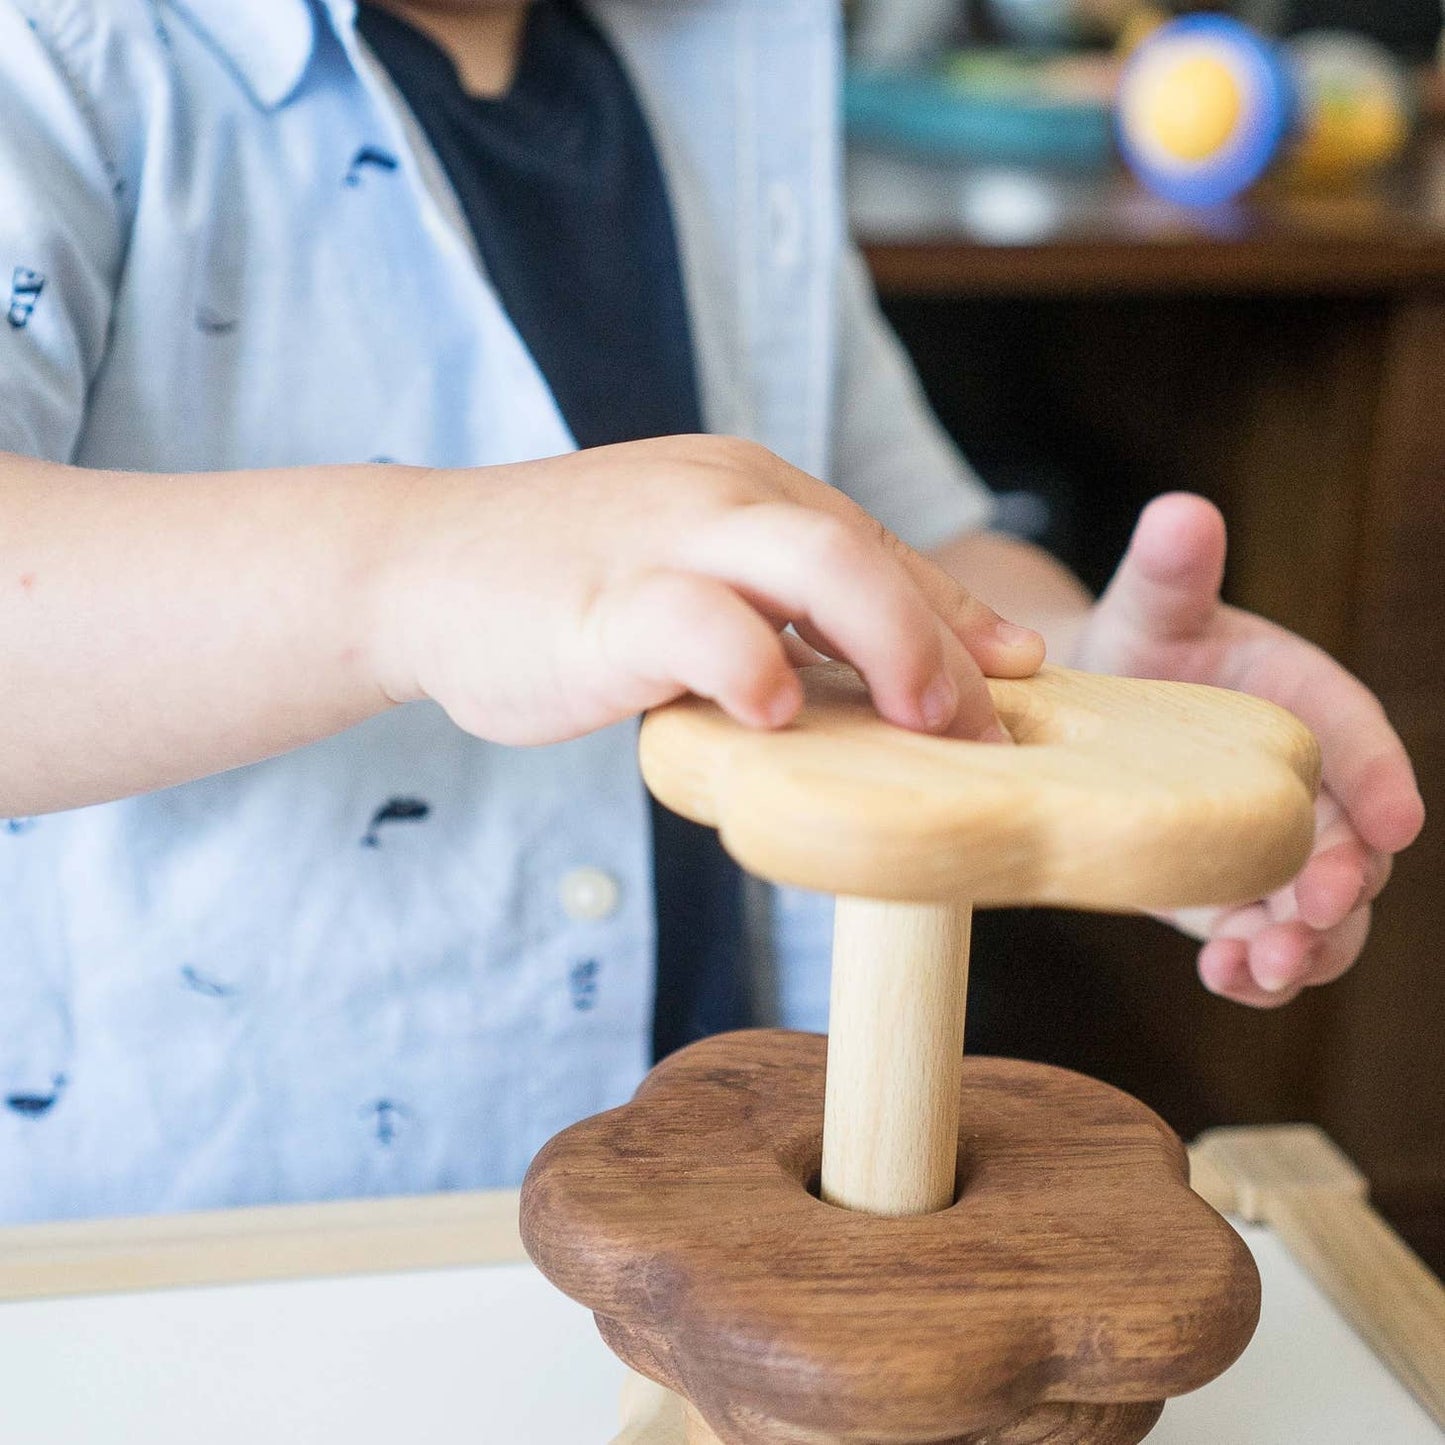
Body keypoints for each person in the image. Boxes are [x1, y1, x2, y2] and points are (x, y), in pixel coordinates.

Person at [0, 0, 1421, 1223]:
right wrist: (413, 567)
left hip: (716, 1166)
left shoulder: (724, 57)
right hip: (240, 1247)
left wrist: (1092, 709)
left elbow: (890, 533)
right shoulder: (62, 54)